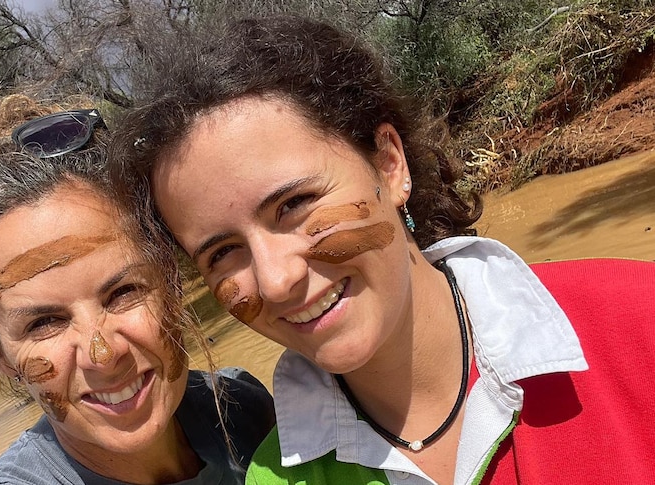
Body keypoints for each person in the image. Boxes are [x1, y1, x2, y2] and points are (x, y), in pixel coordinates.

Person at [109, 15, 655, 485]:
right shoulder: (279, 476)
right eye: (223, 252)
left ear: (389, 164)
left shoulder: (634, 319)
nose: (275, 281)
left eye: (295, 204)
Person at [0, 86, 275, 485]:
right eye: (44, 323)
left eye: (123, 292)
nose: (103, 354)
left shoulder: (243, 410)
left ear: (171, 281)